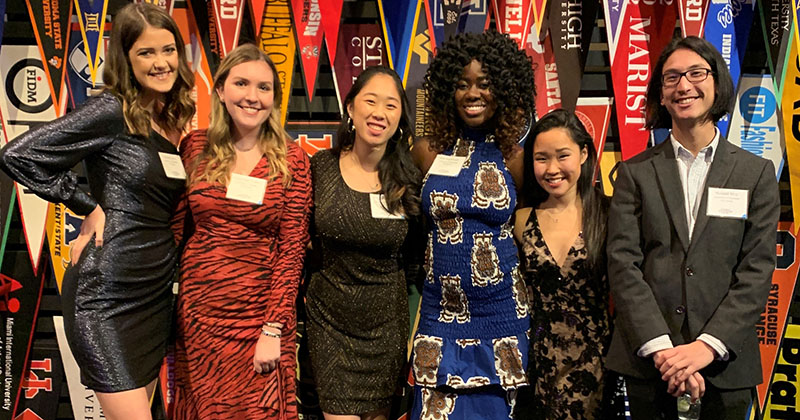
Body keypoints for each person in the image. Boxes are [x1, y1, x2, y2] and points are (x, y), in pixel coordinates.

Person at [0, 3, 194, 419]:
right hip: (107, 292)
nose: (161, 63)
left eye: (168, 50)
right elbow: (19, 155)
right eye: (146, 53)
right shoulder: (112, 110)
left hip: (155, 291)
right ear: (125, 58)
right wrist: (86, 205)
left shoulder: (170, 117)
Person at [606, 36, 780, 419]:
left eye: (696, 73)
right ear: (661, 96)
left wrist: (705, 347)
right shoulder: (635, 173)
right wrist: (665, 351)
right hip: (651, 363)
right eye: (671, 78)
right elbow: (622, 264)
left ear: (717, 83)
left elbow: (756, 270)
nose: (684, 85)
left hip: (725, 365)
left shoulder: (756, 173)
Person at [172, 43, 311, 419]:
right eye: (242, 83)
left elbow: (293, 248)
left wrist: (273, 328)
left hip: (257, 318)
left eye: (264, 88)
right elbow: (172, 228)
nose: (252, 96)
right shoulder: (194, 147)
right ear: (220, 90)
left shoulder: (292, 158)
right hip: (198, 318)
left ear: (274, 98)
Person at [409, 31, 535, 418]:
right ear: (448, 89)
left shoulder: (514, 154)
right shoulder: (426, 151)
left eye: (483, 83)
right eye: (462, 84)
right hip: (438, 312)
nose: (472, 93)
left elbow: (529, 224)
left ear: (502, 87)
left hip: (500, 313)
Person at [305, 66, 422, 420]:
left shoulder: (408, 178)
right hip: (330, 326)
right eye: (370, 101)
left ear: (401, 117)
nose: (379, 113)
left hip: (386, 330)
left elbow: (415, 257)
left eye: (391, 105)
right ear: (351, 108)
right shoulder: (319, 168)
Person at [512, 109, 610, 419]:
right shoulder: (521, 219)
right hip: (537, 365)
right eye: (542, 158)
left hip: (599, 366)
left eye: (562, 156)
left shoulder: (609, 214)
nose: (552, 169)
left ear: (583, 154)